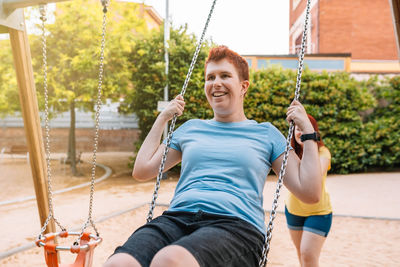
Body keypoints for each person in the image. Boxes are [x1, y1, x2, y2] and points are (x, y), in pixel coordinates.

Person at [104, 45, 322, 267]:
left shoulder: (266, 134)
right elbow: (142, 170)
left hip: (236, 227)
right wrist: (162, 119)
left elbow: (310, 193)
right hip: (176, 219)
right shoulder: (190, 129)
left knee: (170, 260)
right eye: (210, 77)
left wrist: (308, 132)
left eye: (225, 75)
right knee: (119, 263)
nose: (216, 82)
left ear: (243, 86)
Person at [285, 114, 332, 267]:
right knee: (302, 256)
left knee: (308, 255)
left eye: (304, 128)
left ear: (313, 131)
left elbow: (315, 177)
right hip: (293, 210)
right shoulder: (290, 153)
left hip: (318, 212)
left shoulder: (323, 153)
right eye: (297, 129)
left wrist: (308, 146)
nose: (300, 132)